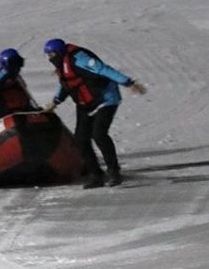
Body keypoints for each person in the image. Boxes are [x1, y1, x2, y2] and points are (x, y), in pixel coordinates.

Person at [40, 38, 146, 189]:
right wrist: (55, 102)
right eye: (47, 55)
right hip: (85, 103)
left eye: (52, 54)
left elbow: (103, 69)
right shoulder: (63, 65)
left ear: (59, 52)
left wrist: (128, 82)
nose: (50, 58)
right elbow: (66, 84)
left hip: (105, 99)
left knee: (99, 134)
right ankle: (97, 175)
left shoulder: (80, 58)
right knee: (81, 140)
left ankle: (114, 172)